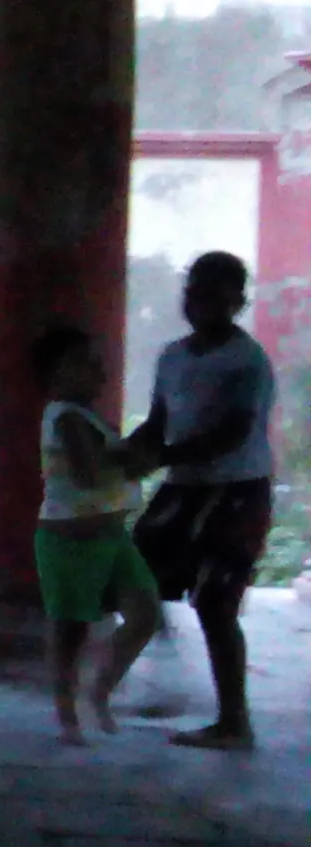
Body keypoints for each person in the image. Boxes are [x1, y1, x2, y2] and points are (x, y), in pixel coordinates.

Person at [125, 252, 279, 751]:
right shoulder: (172, 356)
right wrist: (129, 451)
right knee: (133, 570)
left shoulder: (247, 362)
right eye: (194, 291)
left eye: (215, 294)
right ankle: (149, 670)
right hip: (185, 487)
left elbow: (234, 433)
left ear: (238, 302)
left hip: (237, 489)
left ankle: (234, 720)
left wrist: (163, 456)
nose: (200, 303)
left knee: (216, 601)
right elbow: (158, 421)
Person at [30, 323, 163, 743]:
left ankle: (98, 691)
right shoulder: (65, 416)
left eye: (95, 362)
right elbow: (88, 475)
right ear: (55, 374)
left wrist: (137, 454)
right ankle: (68, 712)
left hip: (110, 535)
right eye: (83, 363)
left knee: (145, 615)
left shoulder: (89, 417)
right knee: (69, 629)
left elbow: (111, 465)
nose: (97, 370)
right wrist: (135, 456)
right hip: (70, 539)